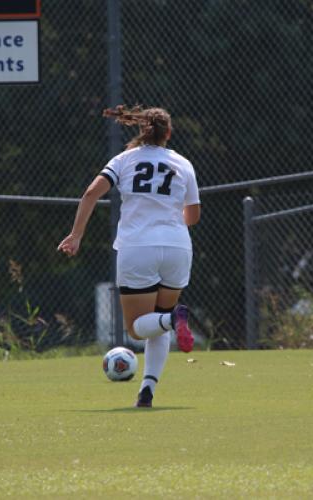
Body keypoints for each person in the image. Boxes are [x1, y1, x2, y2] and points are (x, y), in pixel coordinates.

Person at [58, 104, 201, 406]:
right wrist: (170, 225)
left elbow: (90, 193)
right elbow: (193, 215)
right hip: (177, 247)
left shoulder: (124, 160)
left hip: (138, 248)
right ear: (169, 133)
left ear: (141, 130)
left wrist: (76, 235)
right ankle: (146, 391)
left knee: (138, 327)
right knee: (158, 321)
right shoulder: (183, 164)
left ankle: (176, 319)